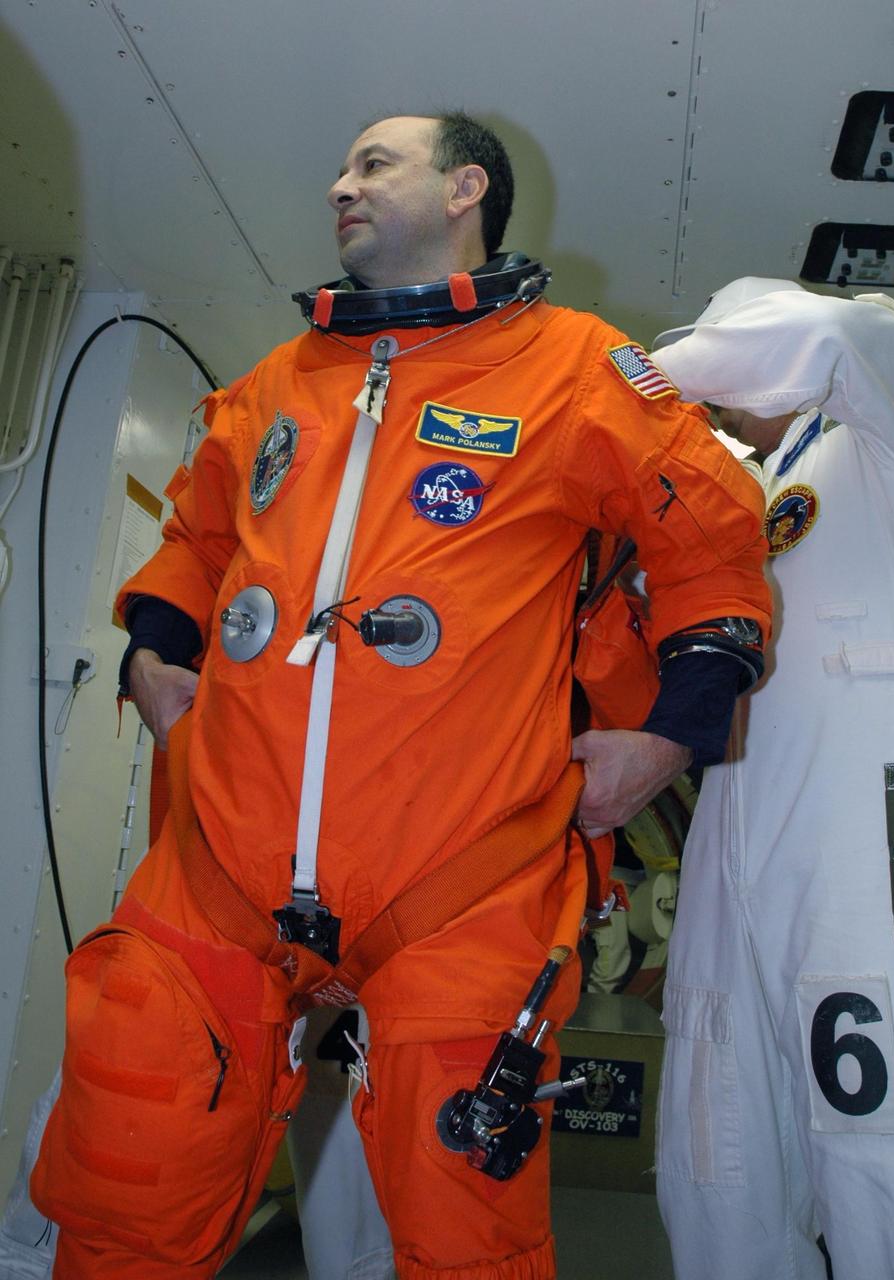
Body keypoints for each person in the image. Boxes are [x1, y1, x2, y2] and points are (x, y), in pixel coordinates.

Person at [30, 114, 771, 1280]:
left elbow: (711, 548)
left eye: (374, 164)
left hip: (459, 870)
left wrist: (670, 739)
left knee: (464, 1229)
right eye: (340, 167)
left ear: (467, 185)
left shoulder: (574, 368)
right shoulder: (276, 384)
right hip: (223, 856)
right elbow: (195, 532)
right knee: (128, 1176)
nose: (339, 184)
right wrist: (149, 651)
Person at [651, 278, 894, 1280]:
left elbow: (837, 333)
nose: (719, 399)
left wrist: (635, 379)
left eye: (727, 363)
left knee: (883, 1153)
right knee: (713, 1149)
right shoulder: (742, 494)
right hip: (733, 834)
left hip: (872, 838)